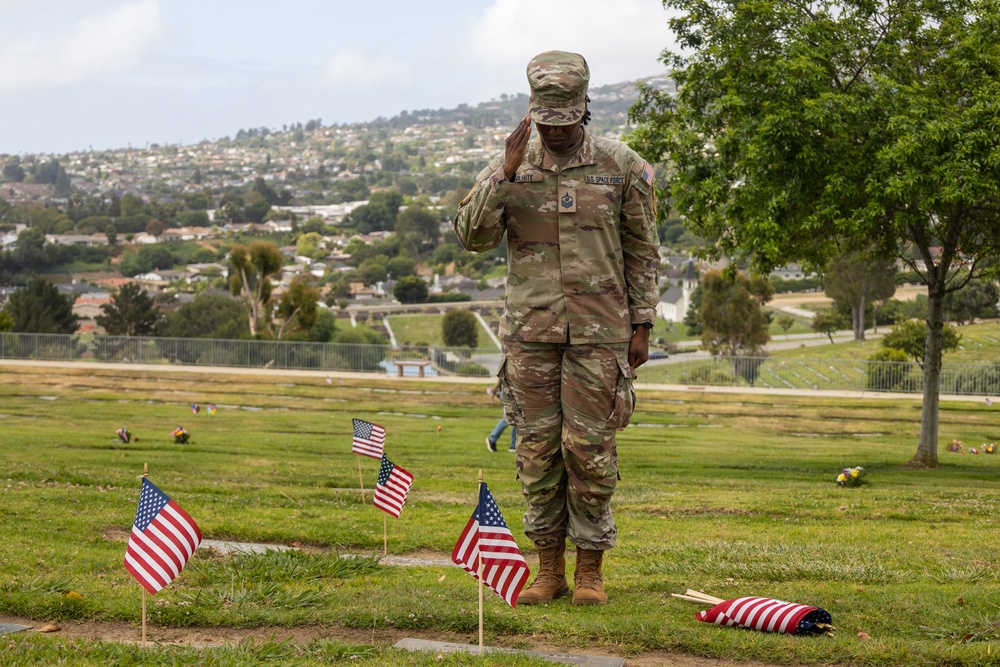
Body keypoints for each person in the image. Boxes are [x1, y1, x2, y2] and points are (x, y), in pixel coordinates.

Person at [454, 51, 659, 606]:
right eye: (547, 123)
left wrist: (642, 324)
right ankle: (549, 569)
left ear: (584, 107)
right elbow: (471, 237)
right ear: (532, 113)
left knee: (590, 452)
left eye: (566, 121)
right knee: (537, 453)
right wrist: (503, 175)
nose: (557, 132)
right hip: (531, 335)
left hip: (601, 333)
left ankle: (590, 570)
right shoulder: (510, 164)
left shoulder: (620, 166)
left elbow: (643, 250)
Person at [485, 380, 516, 452]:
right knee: (509, 417)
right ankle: (492, 439)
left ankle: (513, 446)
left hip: (514, 392)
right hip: (508, 393)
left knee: (517, 419)